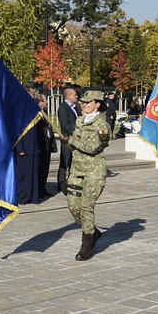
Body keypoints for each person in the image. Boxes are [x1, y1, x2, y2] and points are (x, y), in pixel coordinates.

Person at [59, 89, 110, 260]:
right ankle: (93, 231)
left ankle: (87, 244)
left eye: (88, 102)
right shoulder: (80, 121)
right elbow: (76, 145)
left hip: (93, 171)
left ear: (97, 104)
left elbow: (92, 148)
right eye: (83, 102)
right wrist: (67, 141)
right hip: (77, 169)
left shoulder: (102, 126)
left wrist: (71, 140)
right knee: (73, 205)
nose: (84, 105)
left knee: (86, 207)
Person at [56, 86, 80, 195]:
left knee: (73, 163)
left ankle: (72, 183)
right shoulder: (63, 108)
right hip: (67, 139)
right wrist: (78, 129)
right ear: (69, 95)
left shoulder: (76, 107)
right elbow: (65, 125)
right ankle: (62, 185)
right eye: (75, 95)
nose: (77, 96)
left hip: (76, 140)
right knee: (65, 163)